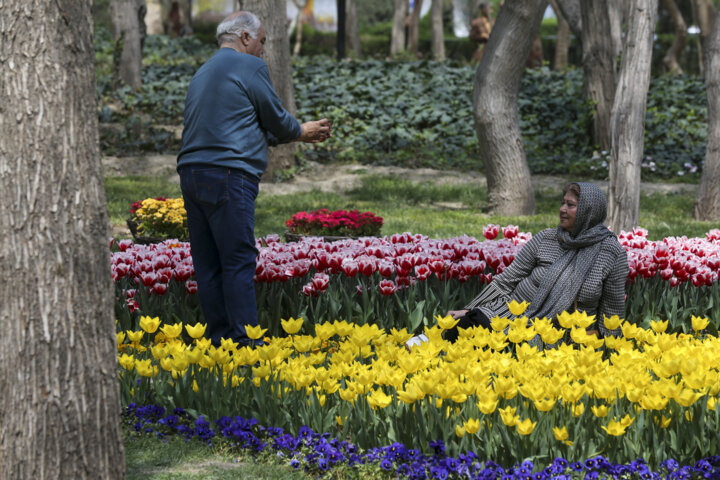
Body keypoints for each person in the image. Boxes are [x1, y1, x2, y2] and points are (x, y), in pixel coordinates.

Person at [177, 11, 332, 346]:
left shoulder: (202, 72)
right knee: (237, 259)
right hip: (229, 174)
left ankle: (221, 344)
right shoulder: (250, 67)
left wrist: (287, 135)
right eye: (262, 41)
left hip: (191, 173)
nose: (263, 49)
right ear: (245, 38)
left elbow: (241, 126)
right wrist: (300, 131)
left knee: (208, 262)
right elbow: (274, 118)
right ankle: (247, 347)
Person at [424, 182, 628, 345]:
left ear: (588, 211)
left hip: (561, 332)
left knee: (497, 345)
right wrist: (469, 309)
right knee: (469, 324)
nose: (562, 209)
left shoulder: (610, 253)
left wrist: (611, 348)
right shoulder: (547, 239)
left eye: (571, 205)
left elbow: (612, 309)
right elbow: (506, 280)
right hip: (511, 314)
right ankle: (425, 346)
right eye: (562, 203)